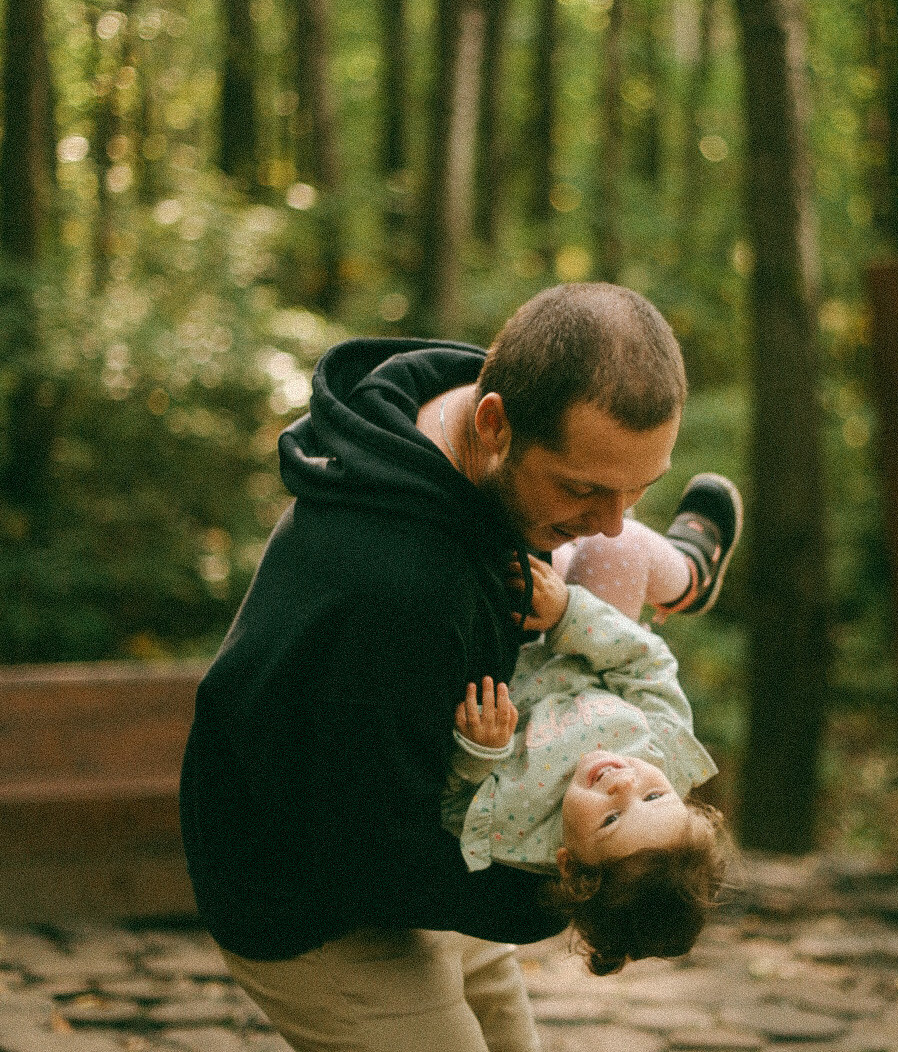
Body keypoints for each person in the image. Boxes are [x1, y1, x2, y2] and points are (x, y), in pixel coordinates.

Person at [179, 282, 741, 1052]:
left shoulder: (486, 402)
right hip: (310, 889)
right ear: (495, 424)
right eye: (583, 489)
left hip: (454, 830)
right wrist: (569, 890)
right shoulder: (399, 589)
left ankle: (685, 571)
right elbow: (369, 850)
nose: (613, 522)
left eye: (637, 491)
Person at [442, 542, 733, 977]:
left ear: (569, 865)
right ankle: (688, 575)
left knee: (529, 560)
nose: (624, 785)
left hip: (507, 651)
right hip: (585, 636)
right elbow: (648, 665)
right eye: (654, 795)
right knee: (614, 547)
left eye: (611, 820)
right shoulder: (666, 751)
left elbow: (452, 807)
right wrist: (566, 613)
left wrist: (480, 752)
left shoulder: (519, 830)